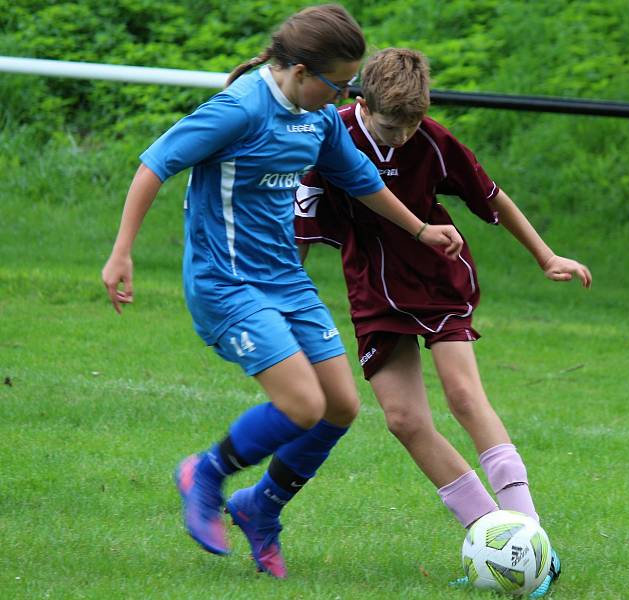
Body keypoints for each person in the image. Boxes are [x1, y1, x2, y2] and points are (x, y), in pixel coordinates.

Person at [101, 9, 463, 579]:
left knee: (341, 406)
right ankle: (207, 471)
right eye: (338, 84)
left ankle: (260, 507)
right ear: (299, 70)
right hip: (227, 283)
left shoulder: (317, 119)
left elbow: (361, 180)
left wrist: (419, 229)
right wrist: (121, 252)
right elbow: (155, 165)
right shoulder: (241, 109)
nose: (344, 95)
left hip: (285, 281)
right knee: (303, 404)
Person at [294, 48, 592, 597]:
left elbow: (492, 198)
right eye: (393, 124)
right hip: (373, 290)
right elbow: (303, 225)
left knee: (463, 395)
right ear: (361, 100)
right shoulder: (328, 136)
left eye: (413, 123)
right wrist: (285, 298)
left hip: (437, 279)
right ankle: (490, 539)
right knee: (405, 420)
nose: (405, 135)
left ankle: (531, 544)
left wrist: (547, 256)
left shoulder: (432, 139)